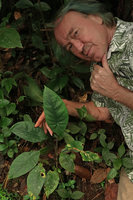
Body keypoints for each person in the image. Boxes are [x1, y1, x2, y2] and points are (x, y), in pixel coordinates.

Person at [35, 0, 133, 199]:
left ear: (96, 17)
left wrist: (115, 91)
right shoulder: (99, 64)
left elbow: (114, 96)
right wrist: (63, 106)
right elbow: (103, 111)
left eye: (76, 33)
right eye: (70, 46)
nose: (79, 48)